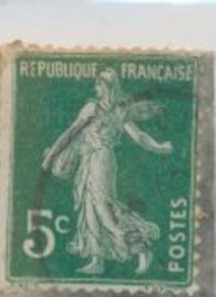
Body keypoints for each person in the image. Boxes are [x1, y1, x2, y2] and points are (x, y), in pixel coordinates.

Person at [42, 68, 173, 275]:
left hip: (101, 161)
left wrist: (159, 147)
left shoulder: (114, 111)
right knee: (89, 208)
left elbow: (138, 136)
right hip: (88, 160)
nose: (95, 88)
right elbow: (71, 133)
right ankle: (97, 260)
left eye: (98, 84)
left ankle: (142, 247)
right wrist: (52, 155)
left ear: (105, 86)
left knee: (104, 209)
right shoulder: (94, 108)